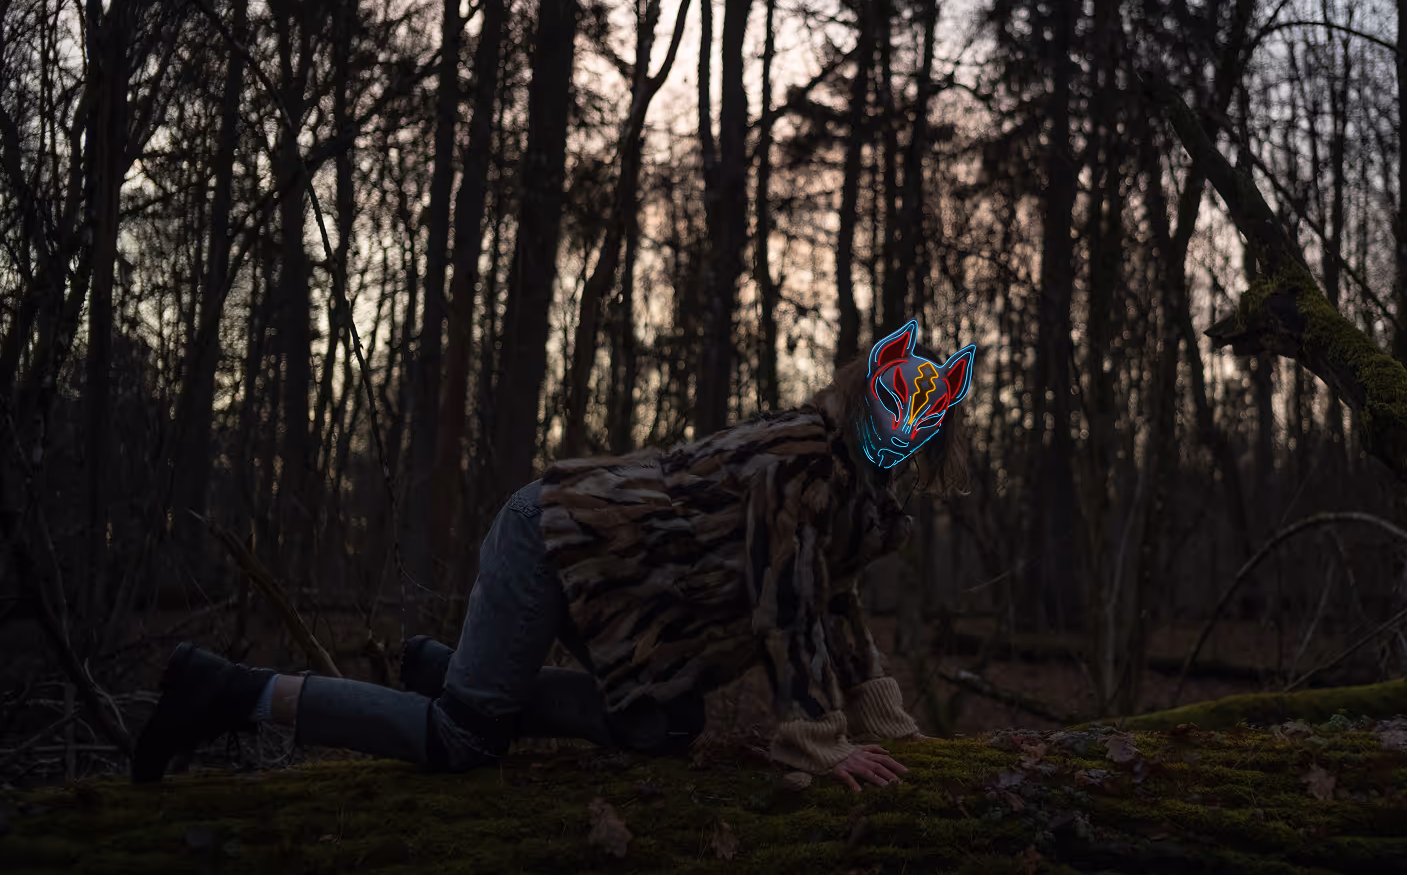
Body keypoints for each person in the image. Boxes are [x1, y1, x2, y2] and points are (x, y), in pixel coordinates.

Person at [132, 321, 975, 793]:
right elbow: (786, 602)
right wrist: (820, 742)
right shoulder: (803, 458)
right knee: (465, 741)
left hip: (616, 591)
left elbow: (834, 606)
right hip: (556, 539)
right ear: (869, 392)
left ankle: (447, 668)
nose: (910, 439)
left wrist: (884, 722)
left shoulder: (856, 491)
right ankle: (233, 691)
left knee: (667, 724)